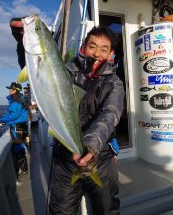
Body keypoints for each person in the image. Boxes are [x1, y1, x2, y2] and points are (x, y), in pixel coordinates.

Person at [49, 26, 125, 214]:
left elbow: (110, 113)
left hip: (100, 158)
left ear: (111, 54)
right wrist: (23, 42)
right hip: (65, 159)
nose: (97, 53)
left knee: (107, 210)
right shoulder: (63, 74)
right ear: (83, 47)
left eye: (103, 49)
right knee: (61, 211)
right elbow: (39, 72)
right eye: (92, 46)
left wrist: (90, 146)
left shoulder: (114, 82)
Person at [0, 82, 28, 178]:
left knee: (18, 147)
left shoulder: (15, 100)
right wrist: (4, 119)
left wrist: (1, 119)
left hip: (17, 127)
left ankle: (23, 169)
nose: (9, 90)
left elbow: (14, 115)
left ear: (15, 90)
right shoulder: (20, 98)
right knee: (19, 146)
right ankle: (23, 168)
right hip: (21, 126)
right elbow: (14, 114)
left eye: (11, 89)